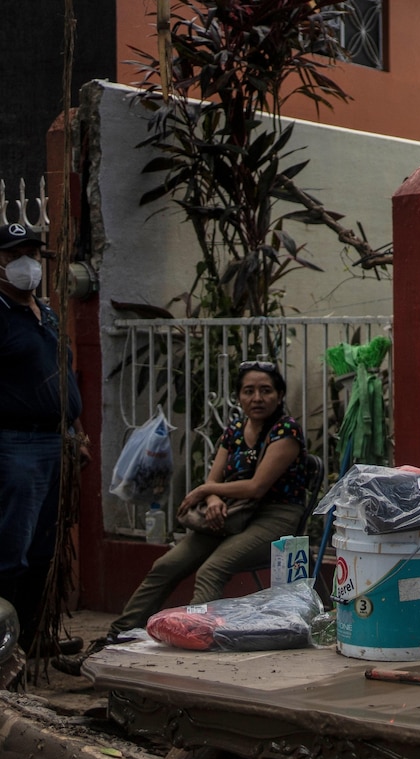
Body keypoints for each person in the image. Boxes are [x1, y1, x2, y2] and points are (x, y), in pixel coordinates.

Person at [55, 360, 316, 674]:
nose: (257, 398)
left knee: (211, 569)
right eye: (249, 391)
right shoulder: (234, 429)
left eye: (266, 390)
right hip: (230, 514)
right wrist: (214, 497)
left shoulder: (285, 430)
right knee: (165, 566)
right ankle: (115, 639)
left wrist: (206, 490)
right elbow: (216, 477)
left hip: (275, 516)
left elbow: (257, 487)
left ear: (279, 395)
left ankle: (194, 650)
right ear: (239, 397)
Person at [0, 222, 86, 661]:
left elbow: (63, 375)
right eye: (15, 255)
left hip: (57, 442)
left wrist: (76, 431)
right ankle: (5, 645)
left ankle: (33, 641)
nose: (25, 263)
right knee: (10, 549)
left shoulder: (46, 313)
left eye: (31, 253)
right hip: (17, 443)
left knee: (42, 549)